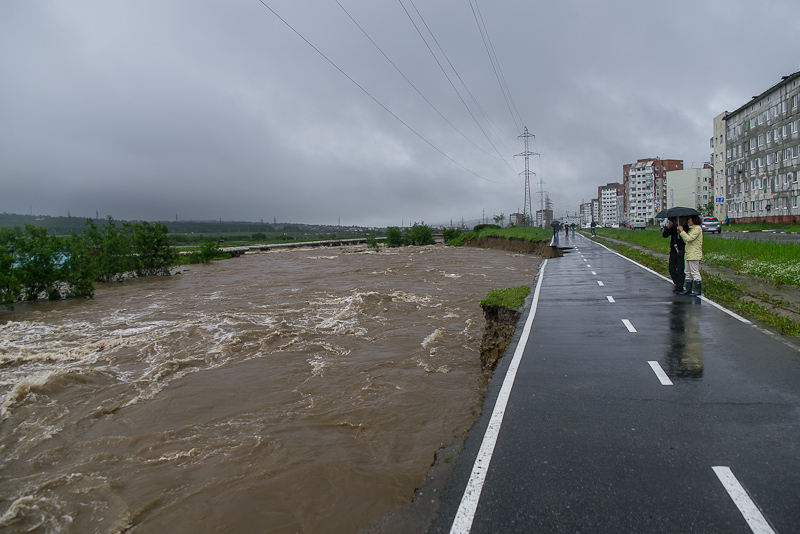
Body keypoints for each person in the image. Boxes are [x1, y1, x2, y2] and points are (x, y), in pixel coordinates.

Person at [677, 215, 703, 296]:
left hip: (694, 254)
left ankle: (698, 290)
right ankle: (688, 289)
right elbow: (687, 241)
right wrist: (681, 233)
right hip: (689, 253)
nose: (688, 221)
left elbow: (689, 239)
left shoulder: (697, 229)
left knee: (694, 272)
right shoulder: (691, 229)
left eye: (690, 220)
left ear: (694, 220)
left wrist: (682, 231)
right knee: (687, 272)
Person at [661, 217, 686, 293]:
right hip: (673, 250)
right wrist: (668, 228)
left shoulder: (686, 227)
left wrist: (681, 231)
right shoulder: (674, 226)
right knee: (671, 269)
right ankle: (676, 282)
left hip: (682, 250)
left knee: (680, 269)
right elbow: (665, 235)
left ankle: (679, 286)